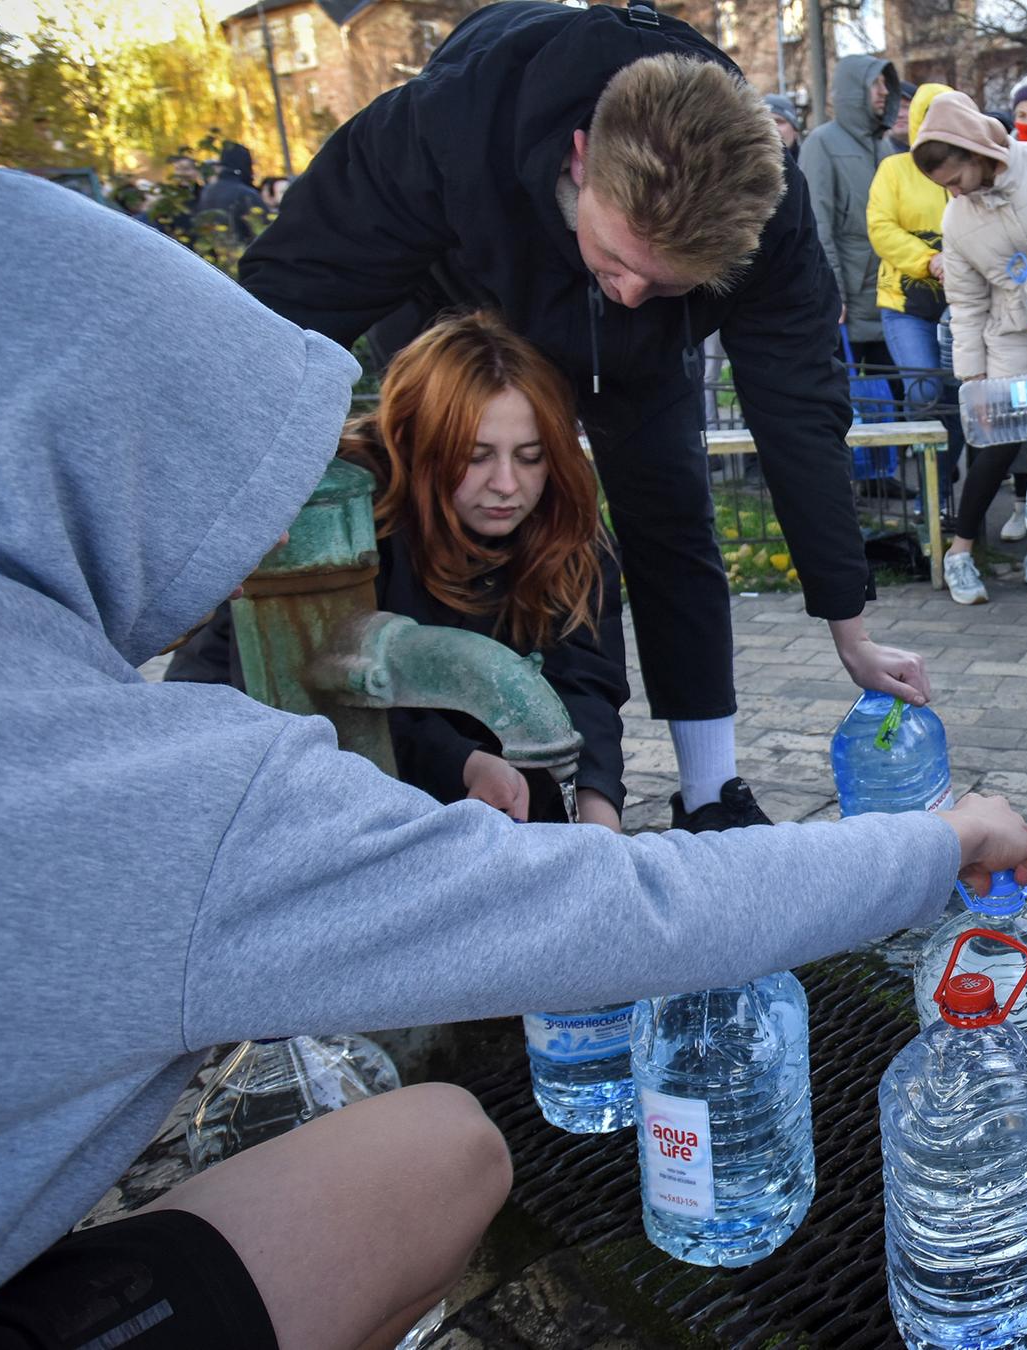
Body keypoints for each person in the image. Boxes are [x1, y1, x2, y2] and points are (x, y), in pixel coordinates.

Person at [0, 162, 1027, 1350]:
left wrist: (592, 791)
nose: (258, 523)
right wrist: (939, 839)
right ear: (140, 471)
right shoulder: (147, 794)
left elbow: (583, 689)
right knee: (444, 1148)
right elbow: (636, 914)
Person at [239, 2, 928, 835]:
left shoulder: (764, 221)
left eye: (665, 281)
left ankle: (710, 792)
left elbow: (800, 411)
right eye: (620, 262)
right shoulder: (450, 125)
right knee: (444, 506)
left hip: (639, 360)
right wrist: (252, 465)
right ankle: (440, 758)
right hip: (461, 301)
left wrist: (846, 622)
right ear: (581, 158)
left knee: (671, 513)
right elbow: (289, 291)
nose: (630, 291)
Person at [167, 311, 632, 832]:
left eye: (530, 457)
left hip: (475, 774)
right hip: (251, 770)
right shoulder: (334, 513)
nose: (507, 484)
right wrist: (460, 763)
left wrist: (597, 807)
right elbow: (309, 691)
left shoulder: (566, 521)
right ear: (420, 443)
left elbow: (586, 681)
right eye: (476, 457)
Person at [914, 91, 1027, 606]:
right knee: (994, 446)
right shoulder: (958, 219)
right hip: (1011, 341)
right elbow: (966, 303)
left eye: (954, 178)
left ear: (975, 150)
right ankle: (960, 553)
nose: (952, 192)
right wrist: (972, 379)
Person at [869, 83, 962, 468]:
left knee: (959, 399)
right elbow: (880, 227)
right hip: (906, 305)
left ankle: (944, 489)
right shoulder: (894, 169)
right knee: (924, 392)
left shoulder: (966, 167)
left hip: (961, 304)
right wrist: (929, 260)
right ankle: (930, 492)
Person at [801, 53, 901, 361]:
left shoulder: (884, 146)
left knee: (894, 401)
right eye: (876, 83)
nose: (884, 92)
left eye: (886, 84)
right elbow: (818, 228)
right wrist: (834, 294)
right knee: (848, 400)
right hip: (848, 305)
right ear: (854, 90)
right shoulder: (822, 143)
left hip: (887, 301)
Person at [193, 140, 269, 244]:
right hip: (240, 253)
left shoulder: (207, 191)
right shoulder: (246, 194)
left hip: (211, 254)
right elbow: (265, 232)